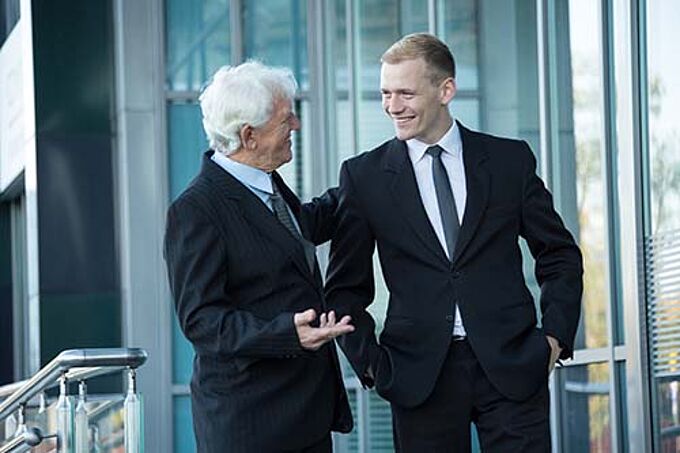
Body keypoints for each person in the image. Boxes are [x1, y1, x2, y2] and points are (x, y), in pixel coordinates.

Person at [325, 33, 583, 452]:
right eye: (386, 93)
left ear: (445, 91)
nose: (392, 106)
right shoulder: (364, 177)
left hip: (513, 365)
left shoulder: (508, 161)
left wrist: (554, 336)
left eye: (406, 93)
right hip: (418, 376)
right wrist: (373, 365)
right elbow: (343, 289)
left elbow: (559, 254)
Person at [164, 61, 354, 453]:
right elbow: (202, 321)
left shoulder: (264, 183)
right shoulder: (196, 210)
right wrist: (287, 333)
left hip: (306, 416)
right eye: (286, 119)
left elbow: (296, 232)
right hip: (252, 425)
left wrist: (364, 179)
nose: (296, 125)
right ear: (249, 136)